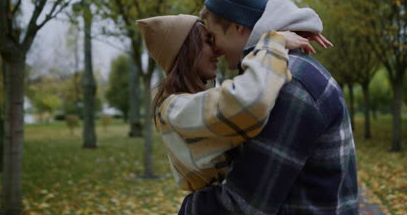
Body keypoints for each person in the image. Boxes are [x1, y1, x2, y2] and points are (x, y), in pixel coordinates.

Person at [178, 0, 359, 215]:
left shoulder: (286, 84)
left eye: (212, 37)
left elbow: (246, 206)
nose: (215, 50)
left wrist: (189, 208)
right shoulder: (281, 71)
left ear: (237, 27)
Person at [136, 14, 326, 192]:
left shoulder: (183, 103)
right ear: (186, 51)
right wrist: (273, 43)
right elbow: (248, 101)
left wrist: (295, 29)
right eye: (208, 42)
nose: (217, 51)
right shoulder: (174, 109)